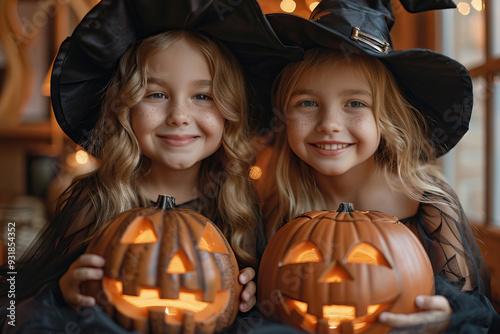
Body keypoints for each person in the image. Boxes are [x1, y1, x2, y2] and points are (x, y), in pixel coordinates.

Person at [0, 0, 302, 332]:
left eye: (203, 96)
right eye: (156, 95)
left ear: (231, 109)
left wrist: (246, 294)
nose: (179, 116)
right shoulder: (98, 201)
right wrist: (62, 292)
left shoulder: (242, 203)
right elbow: (19, 304)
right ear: (124, 106)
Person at [254, 0, 499, 332]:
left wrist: (446, 317)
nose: (329, 124)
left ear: (385, 118)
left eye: (355, 103)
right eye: (307, 103)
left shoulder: (428, 203)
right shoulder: (275, 199)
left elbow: (470, 309)